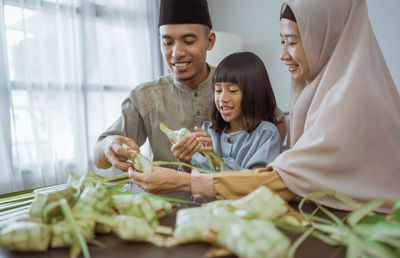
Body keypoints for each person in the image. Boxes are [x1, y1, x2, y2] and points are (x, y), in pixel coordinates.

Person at [129, 0, 400, 212]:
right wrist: (188, 165)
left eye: (292, 42)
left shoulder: (351, 101)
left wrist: (183, 181)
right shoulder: (317, 91)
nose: (282, 54)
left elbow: (282, 181)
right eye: (283, 41)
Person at [93, 0, 287, 172]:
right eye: (167, 42)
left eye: (188, 41)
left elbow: (276, 124)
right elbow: (99, 158)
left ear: (209, 41)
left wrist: (248, 159)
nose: (177, 53)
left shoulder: (236, 83)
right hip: (168, 202)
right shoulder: (144, 97)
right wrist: (108, 145)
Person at [172, 52, 282, 171]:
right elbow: (190, 183)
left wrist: (215, 160)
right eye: (218, 90)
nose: (222, 99)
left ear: (254, 93)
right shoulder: (208, 131)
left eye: (232, 90)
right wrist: (184, 160)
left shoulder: (266, 134)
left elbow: (257, 182)